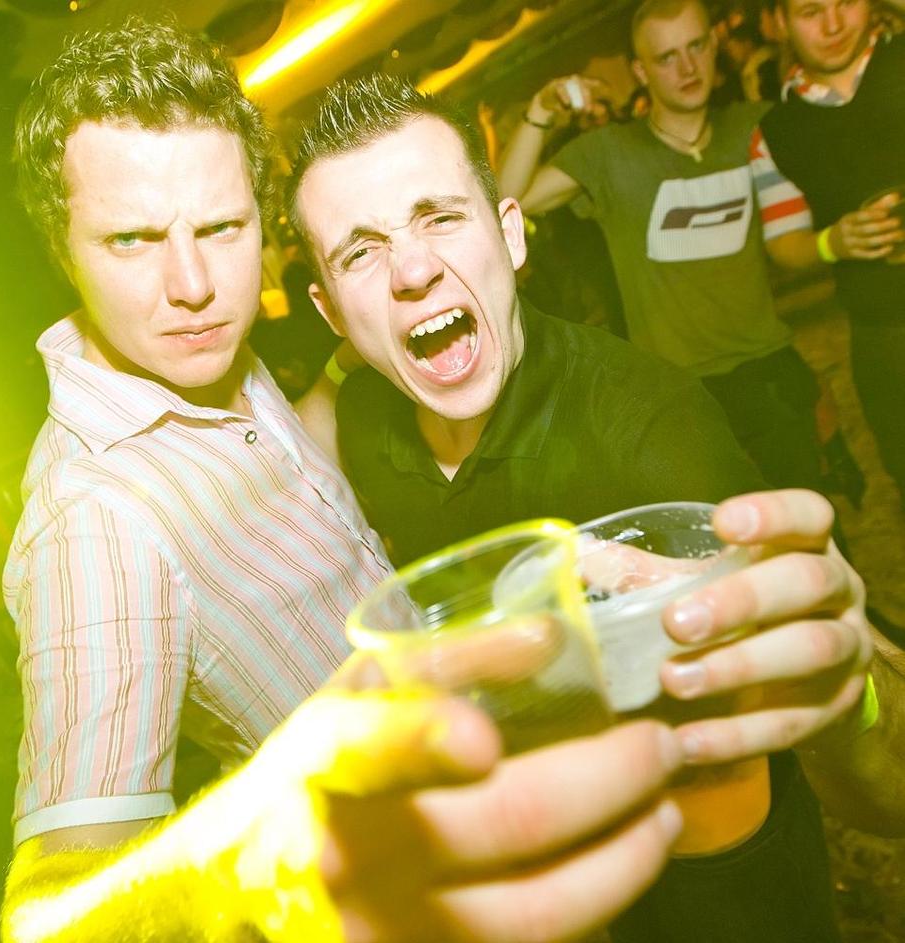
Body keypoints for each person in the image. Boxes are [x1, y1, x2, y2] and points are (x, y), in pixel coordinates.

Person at [0, 16, 899, 943]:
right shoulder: (93, 518)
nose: (193, 283)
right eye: (132, 239)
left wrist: (851, 685)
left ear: (510, 234)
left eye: (222, 227)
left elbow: (863, 751)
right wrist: (250, 871)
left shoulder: (242, 376)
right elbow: (45, 916)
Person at [284, 71, 894, 943]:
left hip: (716, 883)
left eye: (440, 218)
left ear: (510, 234)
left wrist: (849, 694)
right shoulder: (363, 424)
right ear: (331, 311)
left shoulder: (648, 427)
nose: (412, 270)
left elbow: (877, 769)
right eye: (360, 252)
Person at [497, 0, 826, 495]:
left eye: (696, 46)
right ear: (641, 71)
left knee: (803, 523)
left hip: (768, 371)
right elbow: (505, 203)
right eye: (667, 57)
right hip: (679, 391)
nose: (687, 68)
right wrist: (539, 113)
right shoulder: (609, 154)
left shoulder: (755, 128)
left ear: (714, 45)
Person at [750, 0, 905, 504]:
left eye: (847, 1)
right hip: (885, 337)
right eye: (811, 11)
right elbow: (784, 242)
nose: (834, 24)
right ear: (778, 22)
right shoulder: (776, 132)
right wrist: (833, 242)